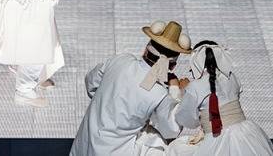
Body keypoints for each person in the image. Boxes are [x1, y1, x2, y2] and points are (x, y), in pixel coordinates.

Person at [70, 21, 192, 156]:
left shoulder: (120, 60)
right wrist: (176, 91)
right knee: (163, 145)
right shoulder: (159, 93)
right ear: (173, 66)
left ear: (146, 50)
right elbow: (171, 130)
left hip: (84, 145)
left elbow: (91, 83)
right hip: (115, 152)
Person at [169, 41, 273, 156]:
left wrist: (184, 93)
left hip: (217, 138)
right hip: (246, 134)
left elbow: (187, 120)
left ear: (196, 61)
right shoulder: (231, 77)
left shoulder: (195, 86)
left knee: (175, 148)